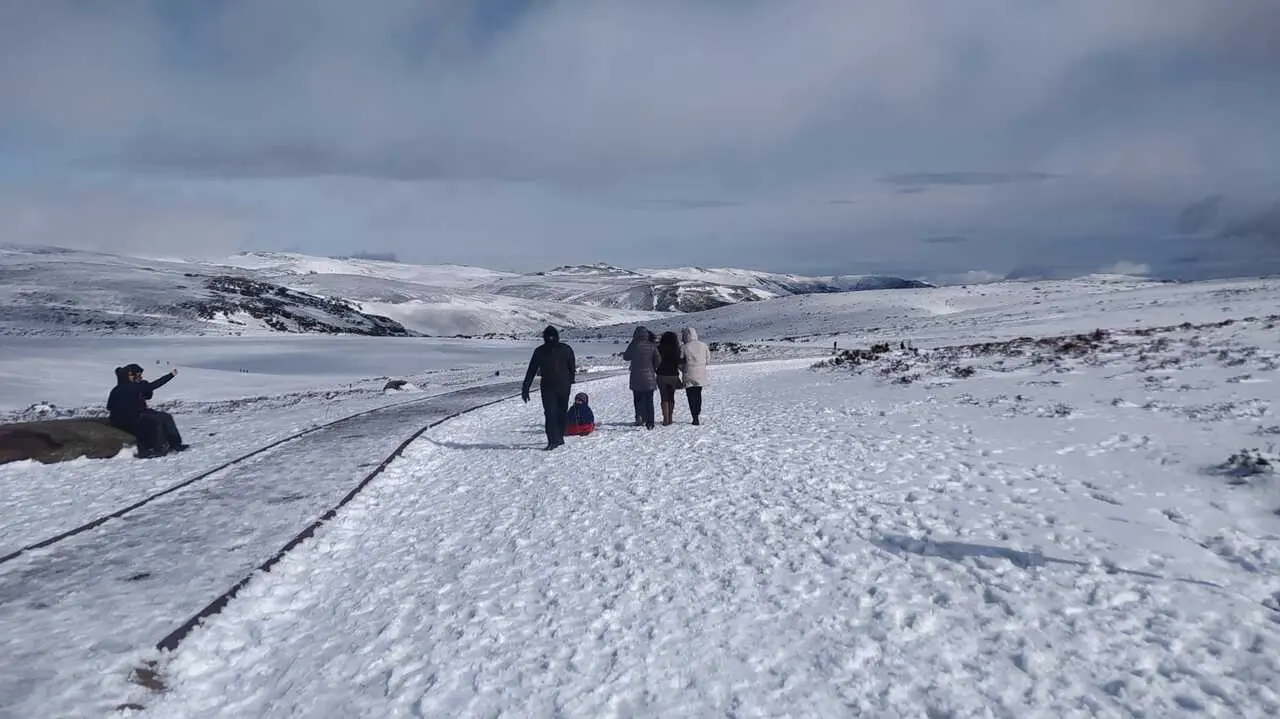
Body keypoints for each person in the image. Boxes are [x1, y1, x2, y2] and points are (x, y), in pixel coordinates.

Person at [107, 363, 188, 457]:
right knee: (159, 419)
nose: (140, 377)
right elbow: (154, 385)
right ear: (130, 375)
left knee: (162, 417)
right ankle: (161, 447)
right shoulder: (135, 386)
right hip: (133, 418)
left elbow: (109, 407)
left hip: (118, 420)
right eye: (138, 375)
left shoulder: (116, 389)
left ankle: (171, 445)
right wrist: (171, 375)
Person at [521, 325, 577, 450]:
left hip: (550, 385)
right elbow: (572, 366)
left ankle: (556, 438)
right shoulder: (565, 348)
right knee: (557, 411)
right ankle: (556, 438)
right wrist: (571, 379)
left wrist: (526, 387)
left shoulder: (540, 351)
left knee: (553, 412)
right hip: (560, 385)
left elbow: (532, 370)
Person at [622, 325, 660, 429]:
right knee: (649, 400)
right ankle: (650, 422)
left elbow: (626, 357)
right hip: (649, 377)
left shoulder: (633, 345)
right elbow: (658, 360)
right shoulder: (652, 346)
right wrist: (653, 368)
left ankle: (639, 417)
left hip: (636, 377)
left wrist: (632, 343)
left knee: (637, 399)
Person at [680, 326, 711, 425]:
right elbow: (708, 360)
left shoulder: (684, 347)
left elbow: (680, 361)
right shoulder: (703, 345)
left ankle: (694, 416)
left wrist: (683, 369)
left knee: (690, 396)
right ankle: (697, 413)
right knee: (698, 395)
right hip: (701, 374)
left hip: (688, 374)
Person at [656, 331, 683, 426]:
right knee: (671, 397)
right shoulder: (676, 349)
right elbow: (679, 362)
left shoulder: (658, 349)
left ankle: (665, 419)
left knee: (664, 397)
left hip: (661, 375)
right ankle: (670, 417)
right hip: (673, 375)